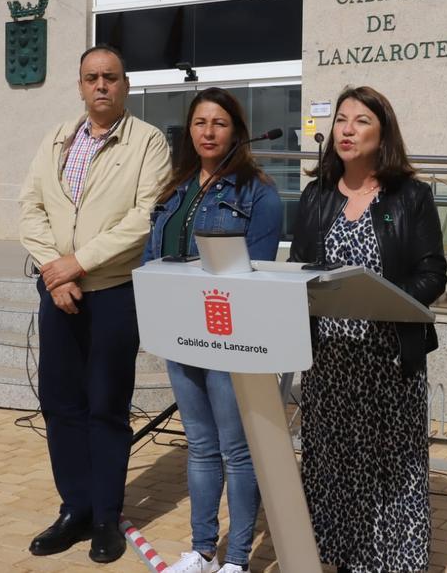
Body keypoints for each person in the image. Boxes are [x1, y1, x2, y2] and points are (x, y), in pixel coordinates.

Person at [18, 45, 171, 564]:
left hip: (111, 292)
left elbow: (143, 218)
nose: (101, 85)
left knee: (105, 407)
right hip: (58, 291)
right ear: (80, 85)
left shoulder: (148, 142)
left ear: (124, 85)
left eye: (110, 77)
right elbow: (31, 208)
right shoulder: (58, 139)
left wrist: (77, 262)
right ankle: (75, 509)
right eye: (91, 78)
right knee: (60, 406)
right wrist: (53, 270)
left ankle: (107, 515)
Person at [288, 86, 447, 573]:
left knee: (389, 471)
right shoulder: (315, 196)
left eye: (360, 121)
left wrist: (386, 300)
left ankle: (392, 561)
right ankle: (340, 556)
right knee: (332, 467)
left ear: (383, 134)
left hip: (388, 360)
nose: (347, 130)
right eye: (340, 121)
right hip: (329, 362)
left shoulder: (411, 196)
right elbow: (297, 266)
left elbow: (433, 273)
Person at [140, 87, 283, 573]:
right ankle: (201, 550)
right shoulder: (174, 189)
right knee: (200, 446)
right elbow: (151, 259)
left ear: (236, 132)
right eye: (200, 122)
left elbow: (256, 273)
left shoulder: (258, 194)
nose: (208, 132)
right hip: (180, 333)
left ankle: (237, 560)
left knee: (236, 450)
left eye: (219, 123)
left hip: (229, 335)